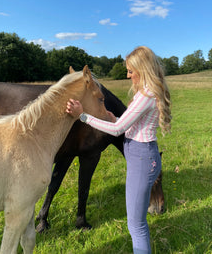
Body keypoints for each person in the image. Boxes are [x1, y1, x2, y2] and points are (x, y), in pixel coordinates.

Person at [66, 46, 171, 254]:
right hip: (145, 154)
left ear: (143, 69)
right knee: (137, 223)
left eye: (131, 70)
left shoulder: (145, 96)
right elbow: (127, 123)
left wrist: (83, 116)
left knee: (136, 225)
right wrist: (116, 118)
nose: (128, 75)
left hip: (141, 158)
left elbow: (117, 130)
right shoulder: (149, 92)